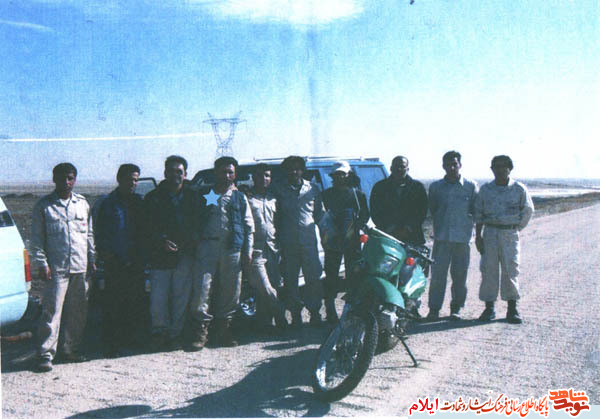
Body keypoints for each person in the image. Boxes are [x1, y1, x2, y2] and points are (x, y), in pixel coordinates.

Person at [31, 163, 96, 372]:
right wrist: (42, 263)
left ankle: (70, 350)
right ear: (54, 179)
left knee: (77, 312)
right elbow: (37, 240)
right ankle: (45, 354)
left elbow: (89, 234)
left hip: (80, 266)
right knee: (52, 312)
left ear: (75, 179)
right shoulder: (44, 206)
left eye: (70, 178)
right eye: (62, 178)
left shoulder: (82, 204)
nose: (66, 182)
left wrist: (92, 258)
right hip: (56, 269)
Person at [190, 156, 254, 348]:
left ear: (235, 174)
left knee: (231, 291)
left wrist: (248, 251)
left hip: (232, 248)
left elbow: (249, 226)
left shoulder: (240, 197)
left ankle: (223, 331)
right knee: (202, 289)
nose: (226, 176)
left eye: (230, 172)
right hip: (207, 247)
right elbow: (195, 219)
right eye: (222, 172)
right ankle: (200, 331)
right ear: (215, 173)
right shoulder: (206, 194)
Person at [144, 155, 205, 350]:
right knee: (158, 298)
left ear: (186, 174)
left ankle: (176, 334)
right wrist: (161, 241)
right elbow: (146, 226)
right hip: (160, 256)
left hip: (184, 254)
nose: (175, 175)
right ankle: (159, 333)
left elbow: (201, 221)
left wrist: (190, 242)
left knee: (181, 297)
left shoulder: (195, 197)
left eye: (179, 172)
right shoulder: (153, 198)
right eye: (171, 171)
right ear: (164, 173)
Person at [474, 155, 534, 324]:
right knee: (488, 270)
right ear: (492, 169)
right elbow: (478, 214)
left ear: (510, 168)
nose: (500, 170)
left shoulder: (519, 189)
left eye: (503, 166)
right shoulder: (486, 190)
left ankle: (512, 308)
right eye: (496, 166)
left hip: (509, 234)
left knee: (511, 270)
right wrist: (478, 236)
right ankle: (489, 308)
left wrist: (515, 228)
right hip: (490, 233)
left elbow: (528, 211)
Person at [95, 164, 146, 357]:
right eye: (129, 179)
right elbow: (99, 231)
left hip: (135, 260)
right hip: (114, 261)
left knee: (134, 301)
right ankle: (112, 343)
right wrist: (104, 253)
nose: (132, 183)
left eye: (135, 180)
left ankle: (131, 338)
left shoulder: (139, 202)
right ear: (119, 179)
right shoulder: (108, 203)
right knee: (113, 303)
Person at [426, 151, 478, 321]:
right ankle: (434, 309)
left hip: (462, 239)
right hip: (442, 238)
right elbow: (432, 209)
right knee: (437, 276)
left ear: (460, 165)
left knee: (460, 277)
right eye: (448, 164)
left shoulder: (470, 186)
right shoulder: (436, 187)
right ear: (443, 166)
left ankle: (456, 308)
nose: (452, 167)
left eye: (454, 164)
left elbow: (476, 211)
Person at [274, 156, 325, 328]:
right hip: (289, 244)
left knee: (313, 279)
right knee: (291, 281)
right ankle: (295, 315)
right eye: (290, 169)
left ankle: (315, 313)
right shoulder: (278, 189)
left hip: (309, 242)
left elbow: (319, 215)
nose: (294, 172)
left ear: (302, 170)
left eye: (297, 168)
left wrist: (325, 236)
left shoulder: (312, 188)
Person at [321, 161, 369, 323]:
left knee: (354, 276)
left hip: (352, 241)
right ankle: (330, 310)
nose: (340, 177)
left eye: (343, 174)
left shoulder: (357, 194)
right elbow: (322, 216)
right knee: (331, 276)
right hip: (332, 240)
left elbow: (365, 215)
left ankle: (352, 311)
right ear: (332, 176)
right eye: (337, 174)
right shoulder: (326, 195)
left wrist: (353, 226)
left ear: (348, 175)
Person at [245, 163, 287, 333]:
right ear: (253, 178)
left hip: (273, 248)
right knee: (265, 288)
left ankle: (265, 324)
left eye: (267, 175)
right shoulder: (246, 197)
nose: (263, 179)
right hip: (255, 250)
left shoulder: (274, 198)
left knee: (274, 285)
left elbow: (279, 223)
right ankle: (281, 318)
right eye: (259, 175)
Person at [370, 156, 428, 246]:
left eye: (402, 166)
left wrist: (407, 228)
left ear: (407, 169)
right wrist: (390, 229)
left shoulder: (417, 187)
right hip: (386, 236)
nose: (399, 169)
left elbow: (422, 211)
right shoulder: (380, 187)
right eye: (396, 166)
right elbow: (375, 211)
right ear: (391, 168)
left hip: (413, 236)